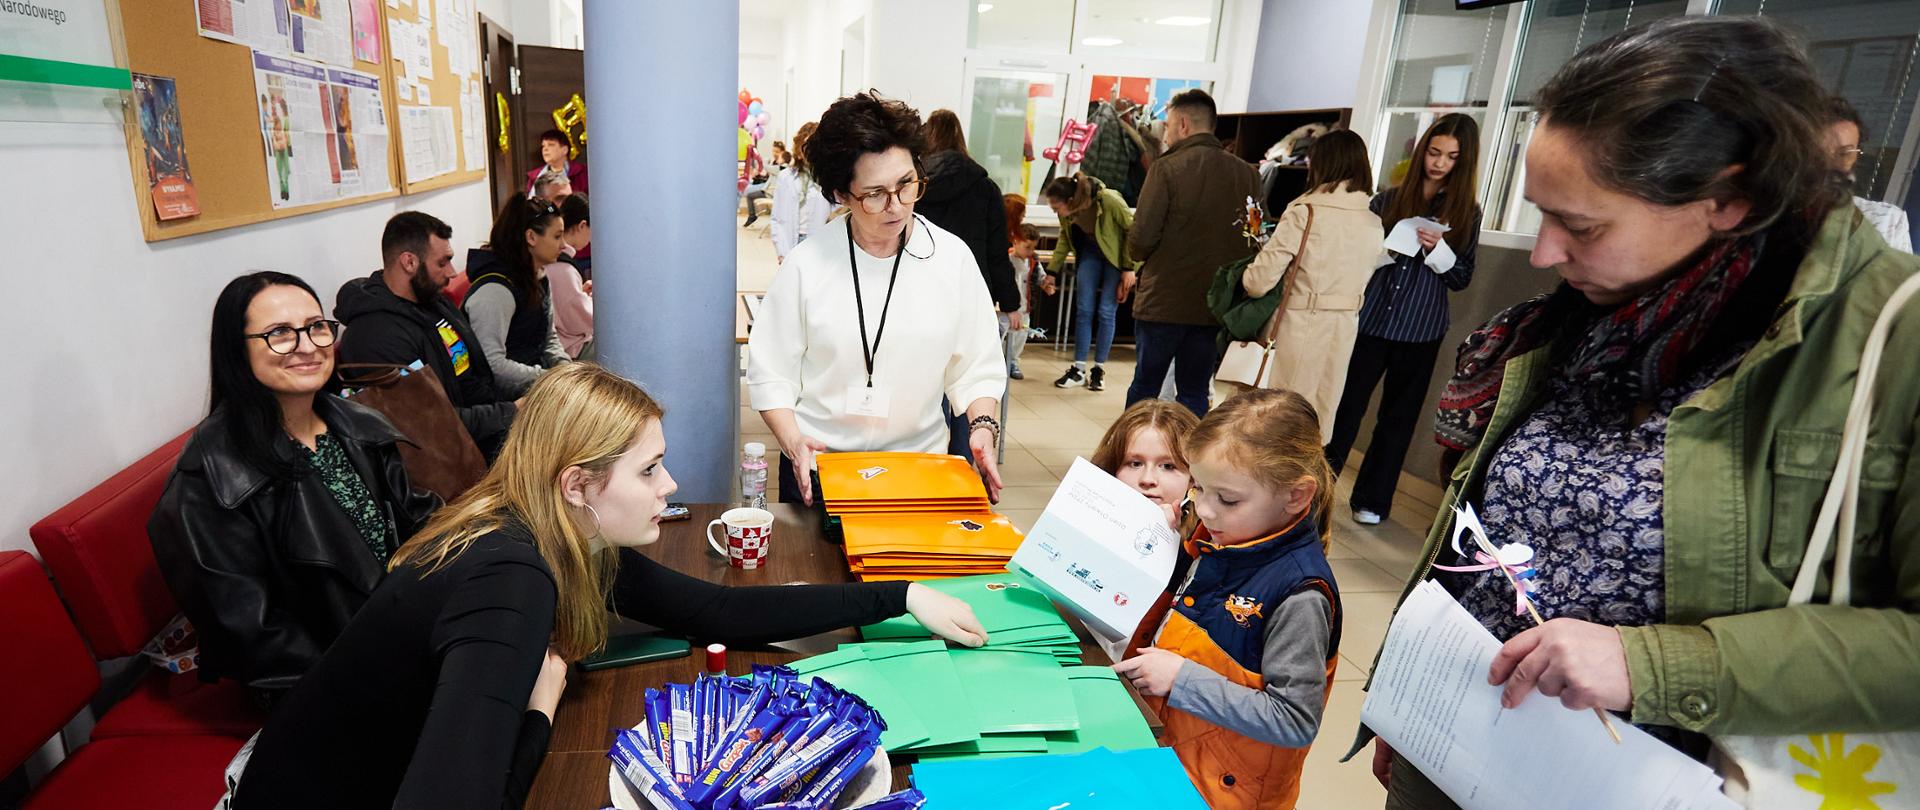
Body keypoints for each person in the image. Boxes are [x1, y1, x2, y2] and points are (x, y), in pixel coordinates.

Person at [1355, 18, 1920, 807]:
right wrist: (1415, 697)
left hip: (1652, 776)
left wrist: (1656, 665)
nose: (1545, 255)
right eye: (1541, 213)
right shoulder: (1612, 304)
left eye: (1580, 226)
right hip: (1467, 735)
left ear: (1729, 199)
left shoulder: (1892, 342)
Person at [217, 363, 990, 809]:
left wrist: (901, 594)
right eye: (650, 470)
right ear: (579, 483)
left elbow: (717, 609)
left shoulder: (548, 526)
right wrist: (543, 708)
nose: (672, 485)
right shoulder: (511, 578)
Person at [150, 272, 440, 705]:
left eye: (317, 326)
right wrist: (380, 675)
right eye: (279, 333)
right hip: (330, 687)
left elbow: (421, 523)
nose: (308, 346)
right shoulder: (210, 479)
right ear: (236, 349)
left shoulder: (355, 425)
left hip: (407, 630)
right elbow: (258, 640)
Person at [748, 91, 1007, 506]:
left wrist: (981, 428)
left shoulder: (951, 258)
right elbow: (770, 374)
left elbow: (977, 366)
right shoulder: (806, 264)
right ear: (841, 194)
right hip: (819, 464)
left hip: (918, 468)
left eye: (906, 185)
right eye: (874, 194)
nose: (896, 207)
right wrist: (794, 442)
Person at [1113, 388, 1340, 810]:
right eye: (1198, 488)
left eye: (1228, 499)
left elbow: (1295, 719)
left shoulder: (1300, 596)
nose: (1207, 510)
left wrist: (1181, 680)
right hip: (1177, 764)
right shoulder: (1217, 540)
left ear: (1296, 496)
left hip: (1228, 795)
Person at [1323, 113, 1481, 525]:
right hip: (1371, 320)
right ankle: (1318, 492)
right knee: (1345, 409)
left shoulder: (1467, 212)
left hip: (1422, 329)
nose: (1439, 162)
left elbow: (1462, 277)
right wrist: (1392, 249)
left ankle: (1372, 502)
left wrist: (1436, 250)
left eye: (1450, 156)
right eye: (1433, 151)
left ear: (1463, 161)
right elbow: (1357, 260)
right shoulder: (1387, 200)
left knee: (1397, 420)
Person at [1237, 129, 1383, 443]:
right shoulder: (1372, 222)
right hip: (1343, 328)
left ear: (1321, 165)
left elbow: (1259, 282)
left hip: (1298, 327)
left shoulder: (1306, 212)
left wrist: (1247, 276)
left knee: (1276, 423)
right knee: (1314, 427)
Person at [335, 211, 519, 457]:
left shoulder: (431, 301)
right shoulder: (374, 336)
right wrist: (512, 412)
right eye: (442, 262)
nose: (453, 272)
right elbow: (428, 424)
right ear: (409, 262)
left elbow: (472, 378)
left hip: (482, 428)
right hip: (450, 456)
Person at [1126, 89, 1261, 417]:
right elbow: (1254, 238)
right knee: (1195, 390)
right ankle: (1190, 463)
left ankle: (1129, 458)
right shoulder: (1248, 174)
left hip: (1164, 300)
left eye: (1168, 126)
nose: (1167, 134)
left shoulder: (1166, 168)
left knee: (1146, 387)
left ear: (1183, 124)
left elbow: (1141, 239)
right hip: (1215, 305)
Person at [915, 109, 1022, 316]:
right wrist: (1011, 304)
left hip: (923, 285)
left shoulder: (915, 186)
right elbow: (997, 251)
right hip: (973, 289)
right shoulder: (986, 189)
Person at [464, 196, 572, 399]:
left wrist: (564, 368)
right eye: (557, 236)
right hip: (504, 399)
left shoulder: (539, 276)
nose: (564, 245)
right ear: (531, 237)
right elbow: (493, 364)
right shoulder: (495, 290)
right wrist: (549, 379)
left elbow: (548, 337)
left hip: (535, 382)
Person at [1041, 173, 1138, 392]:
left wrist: (1129, 268)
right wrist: (1052, 271)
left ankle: (1098, 369)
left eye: (1057, 207)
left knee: (1106, 311)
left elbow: (1132, 231)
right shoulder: (1067, 214)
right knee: (1084, 309)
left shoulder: (1109, 200)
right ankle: (1078, 368)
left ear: (1071, 201)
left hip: (1115, 258)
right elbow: (1065, 238)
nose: (1055, 212)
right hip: (1089, 254)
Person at [1824, 96, 1912, 253]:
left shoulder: (1885, 221)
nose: (1833, 164)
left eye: (1845, 154)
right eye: (1820, 153)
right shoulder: (1775, 218)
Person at [771, 121, 833, 262]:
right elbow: (777, 217)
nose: (810, 152)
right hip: (790, 242)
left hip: (819, 244)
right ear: (799, 149)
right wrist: (781, 250)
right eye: (806, 146)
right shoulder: (786, 177)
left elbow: (836, 214)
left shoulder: (827, 179)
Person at [547, 193, 594, 360]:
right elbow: (582, 321)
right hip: (570, 349)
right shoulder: (563, 269)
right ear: (582, 225)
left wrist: (580, 294)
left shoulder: (558, 264)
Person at [1006, 218, 1040, 380]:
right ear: (1015, 241)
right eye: (1027, 247)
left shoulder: (1033, 262)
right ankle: (1001, 361)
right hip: (1008, 309)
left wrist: (1046, 284)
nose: (1030, 251)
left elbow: (1040, 278)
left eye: (1033, 248)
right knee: (1005, 336)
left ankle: (1013, 361)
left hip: (1025, 308)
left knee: (1020, 337)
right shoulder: (1006, 260)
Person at [524, 128, 587, 198]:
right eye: (543, 146)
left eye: (551, 145)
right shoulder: (535, 177)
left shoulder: (582, 173)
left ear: (564, 150)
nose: (545, 149)